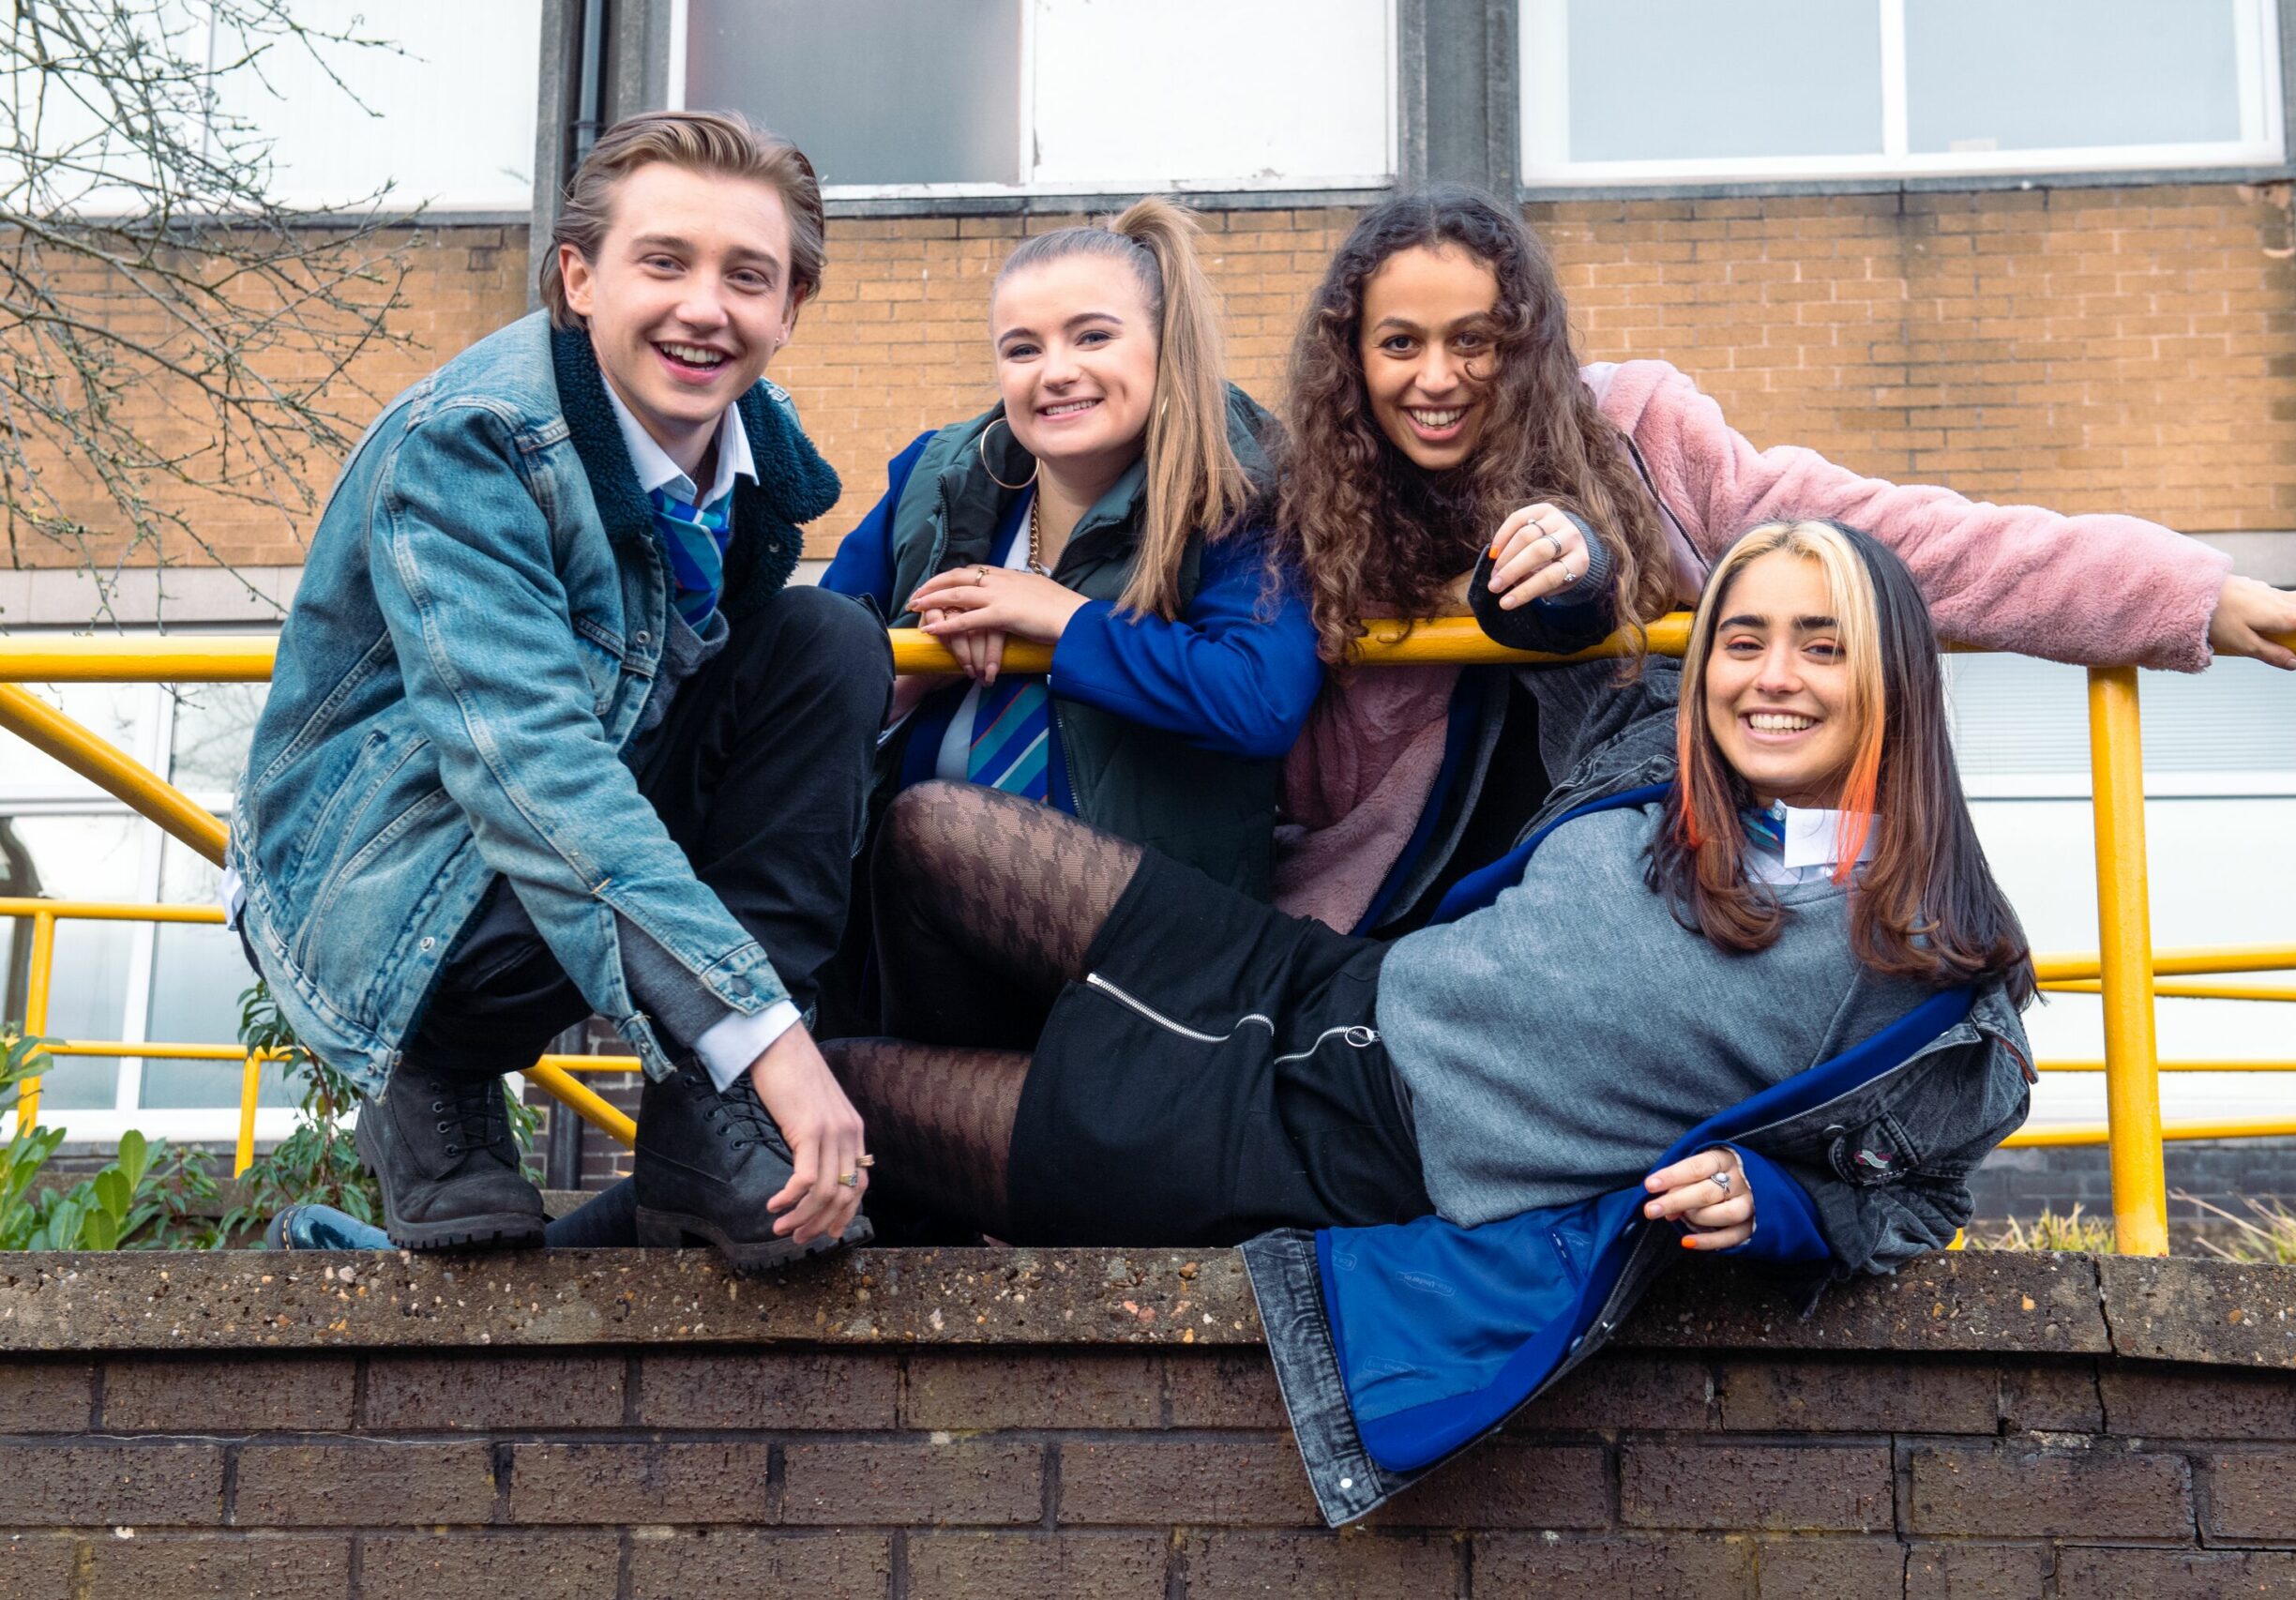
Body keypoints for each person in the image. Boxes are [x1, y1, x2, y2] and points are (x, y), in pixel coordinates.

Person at [815, 518, 2033, 1267]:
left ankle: (873, 1205)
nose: (1772, 677)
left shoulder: (1917, 965)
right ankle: (933, 1213)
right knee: (929, 832)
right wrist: (1576, 550)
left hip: (1343, 1153)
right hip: (1324, 978)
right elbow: (1564, 622)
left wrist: (1778, 1204)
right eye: (1742, 637)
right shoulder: (1656, 758)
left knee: (848, 1096)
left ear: (1890, 676)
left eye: (1821, 644)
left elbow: (1922, 1206)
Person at [1270, 186, 2296, 938]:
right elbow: (1298, 772)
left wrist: (2182, 593)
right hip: (1406, 924)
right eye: (1400, 343)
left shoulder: (1640, 434)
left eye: (1475, 339)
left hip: (1649, 904)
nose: (1438, 376)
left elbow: (1907, 541)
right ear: (1353, 355)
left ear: (1525, 340)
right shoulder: (1318, 515)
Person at [228, 111, 885, 1271]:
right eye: (664, 261)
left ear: (789, 310)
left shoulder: (747, 454)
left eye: (748, 275)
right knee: (575, 799)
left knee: (829, 642)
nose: (705, 307)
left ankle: (704, 1123)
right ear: (579, 278)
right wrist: (775, 1044)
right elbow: (530, 770)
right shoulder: (473, 442)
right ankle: (430, 1066)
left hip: (558, 823)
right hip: (391, 882)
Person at [820, 198, 1319, 924]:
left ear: (1163, 343)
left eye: (1092, 337)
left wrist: (1063, 619)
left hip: (1144, 948)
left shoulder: (1241, 483)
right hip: (918, 934)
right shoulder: (932, 483)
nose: (1055, 372)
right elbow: (809, 685)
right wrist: (913, 674)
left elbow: (1260, 699)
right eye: (1022, 349)